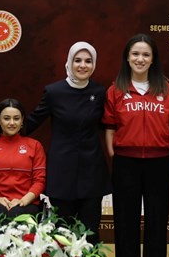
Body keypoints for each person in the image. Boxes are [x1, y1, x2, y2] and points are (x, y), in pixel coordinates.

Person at [103, 33, 169, 257]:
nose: (140, 59)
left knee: (157, 225)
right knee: (126, 225)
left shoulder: (166, 88)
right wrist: (117, 155)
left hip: (159, 162)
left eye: (146, 54)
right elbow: (110, 127)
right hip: (126, 162)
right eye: (135, 54)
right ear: (127, 57)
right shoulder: (116, 89)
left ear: (153, 59)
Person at [25, 41, 109, 244]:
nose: (83, 65)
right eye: (78, 60)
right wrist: (3, 132)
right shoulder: (54, 92)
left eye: (88, 61)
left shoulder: (100, 92)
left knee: (90, 234)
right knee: (61, 234)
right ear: (69, 62)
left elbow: (110, 124)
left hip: (91, 171)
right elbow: (33, 121)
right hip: (62, 171)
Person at [0, 98, 46, 236]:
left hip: (26, 203)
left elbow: (39, 181)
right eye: (6, 118)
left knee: (16, 214)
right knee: (0, 214)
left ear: (22, 121)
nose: (12, 123)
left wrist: (23, 201)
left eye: (16, 118)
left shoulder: (35, 146)